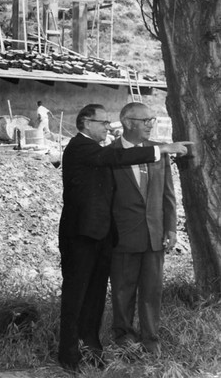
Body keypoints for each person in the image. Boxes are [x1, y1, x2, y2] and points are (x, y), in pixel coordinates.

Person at [57, 103, 191, 373]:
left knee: (95, 296)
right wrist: (162, 148)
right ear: (85, 123)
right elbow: (117, 159)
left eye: (109, 123)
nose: (108, 127)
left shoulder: (96, 149)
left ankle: (92, 348)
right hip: (81, 237)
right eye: (103, 123)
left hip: (100, 237)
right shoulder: (81, 147)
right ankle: (69, 354)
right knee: (76, 295)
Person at [109, 102, 177, 355]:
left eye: (153, 120)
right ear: (128, 122)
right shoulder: (110, 153)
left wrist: (171, 228)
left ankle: (151, 341)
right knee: (122, 291)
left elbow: (168, 194)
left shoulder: (160, 151)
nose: (151, 124)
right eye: (146, 119)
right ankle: (123, 338)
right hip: (122, 237)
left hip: (155, 236)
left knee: (152, 291)